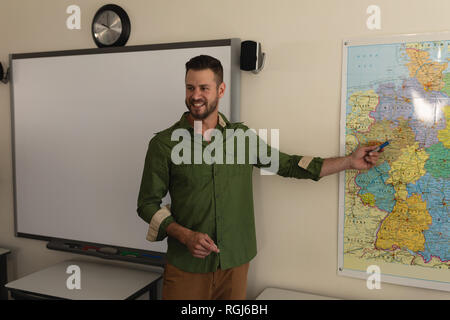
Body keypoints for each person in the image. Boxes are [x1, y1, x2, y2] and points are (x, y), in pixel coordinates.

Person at [137, 55, 381, 300]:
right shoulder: (164, 144)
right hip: (185, 268)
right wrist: (185, 235)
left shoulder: (242, 138)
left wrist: (349, 161)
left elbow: (289, 165)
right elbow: (146, 204)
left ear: (221, 90)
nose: (196, 95)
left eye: (204, 88)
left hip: (235, 263)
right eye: (190, 87)